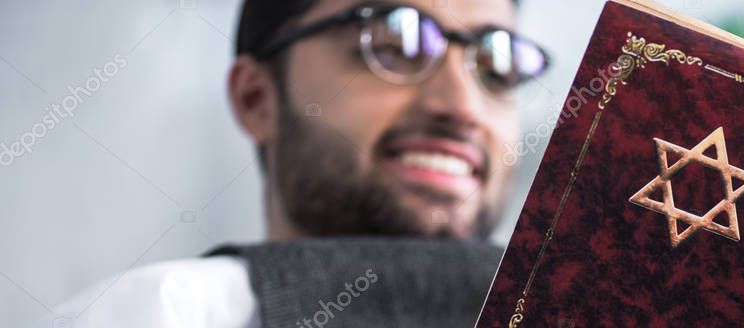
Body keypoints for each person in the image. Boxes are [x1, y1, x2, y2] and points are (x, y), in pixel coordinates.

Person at [49, 0, 548, 327]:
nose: (462, 107)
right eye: (396, 45)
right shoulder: (160, 312)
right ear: (256, 99)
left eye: (496, 67)